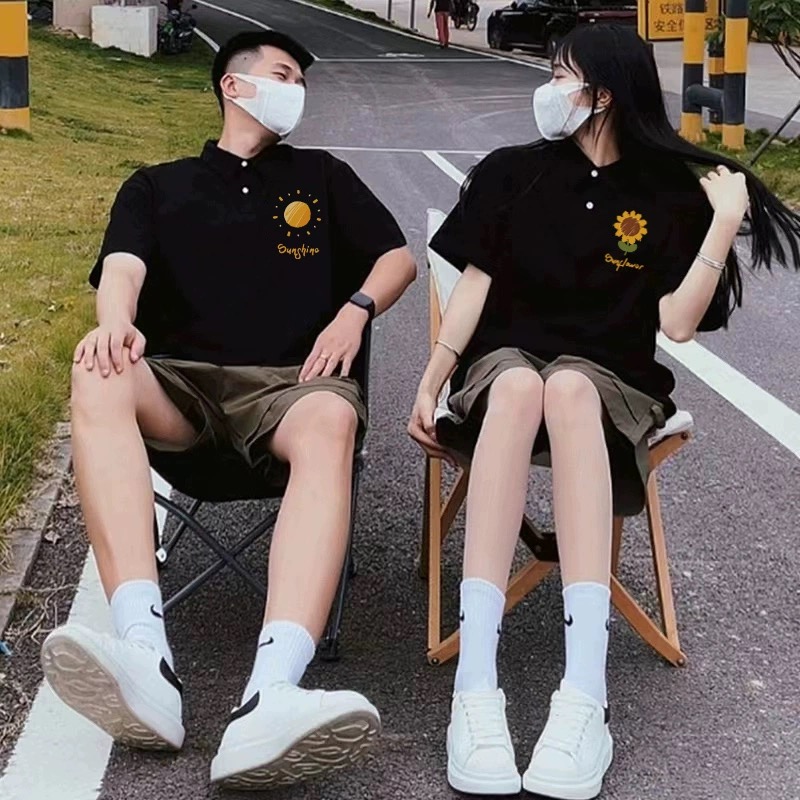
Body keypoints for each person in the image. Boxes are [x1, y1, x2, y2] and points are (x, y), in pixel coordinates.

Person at [408, 23, 800, 800]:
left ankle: (584, 695)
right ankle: (475, 688)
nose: (547, 88)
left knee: (569, 387)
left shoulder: (667, 193)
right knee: (522, 385)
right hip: (504, 370)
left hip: (611, 380)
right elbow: (476, 285)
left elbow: (678, 324)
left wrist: (723, 222)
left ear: (603, 94)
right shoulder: (513, 171)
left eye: (560, 75)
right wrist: (433, 377)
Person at [41, 29, 416, 790]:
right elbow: (122, 267)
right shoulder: (159, 185)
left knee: (333, 418)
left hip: (290, 393)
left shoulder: (322, 176)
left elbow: (397, 257)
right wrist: (114, 322)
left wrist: (355, 311)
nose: (296, 91)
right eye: (283, 75)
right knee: (98, 370)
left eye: (301, 81)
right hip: (183, 396)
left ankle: (271, 692)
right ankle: (145, 658)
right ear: (233, 86)